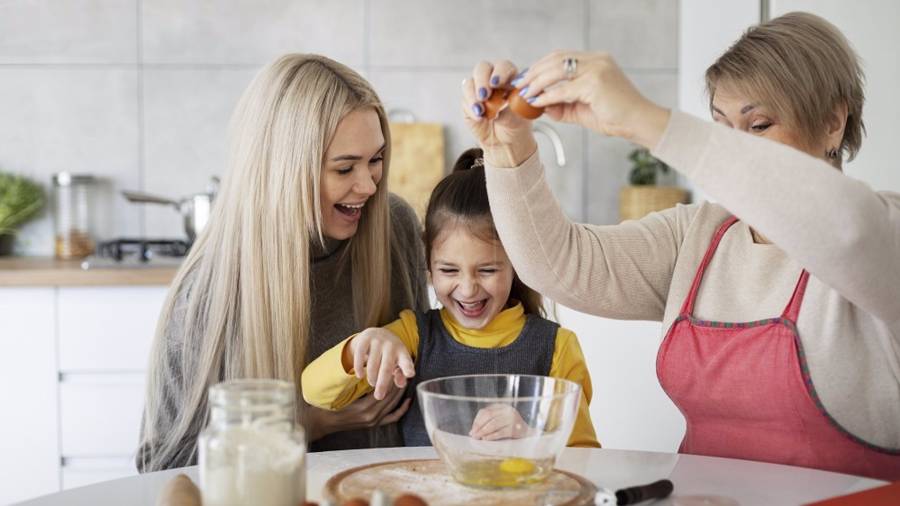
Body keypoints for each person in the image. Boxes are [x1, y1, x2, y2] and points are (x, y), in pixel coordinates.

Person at [461, 12, 900, 480]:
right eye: (719, 126)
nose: (734, 151)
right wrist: (508, 147)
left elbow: (847, 231)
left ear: (833, 122)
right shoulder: (699, 237)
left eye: (757, 126)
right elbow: (560, 264)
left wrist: (646, 121)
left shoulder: (881, 236)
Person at [137, 54, 429, 472]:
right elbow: (164, 467)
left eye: (376, 160)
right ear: (284, 171)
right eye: (344, 167)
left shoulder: (393, 226)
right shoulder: (209, 292)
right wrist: (305, 424)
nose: (367, 185)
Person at [301, 148, 600, 448]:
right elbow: (314, 391)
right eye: (448, 269)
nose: (468, 289)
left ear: (517, 264)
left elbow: (585, 457)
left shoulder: (558, 349)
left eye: (487, 270)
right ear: (429, 264)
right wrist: (360, 348)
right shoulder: (413, 336)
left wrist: (530, 437)